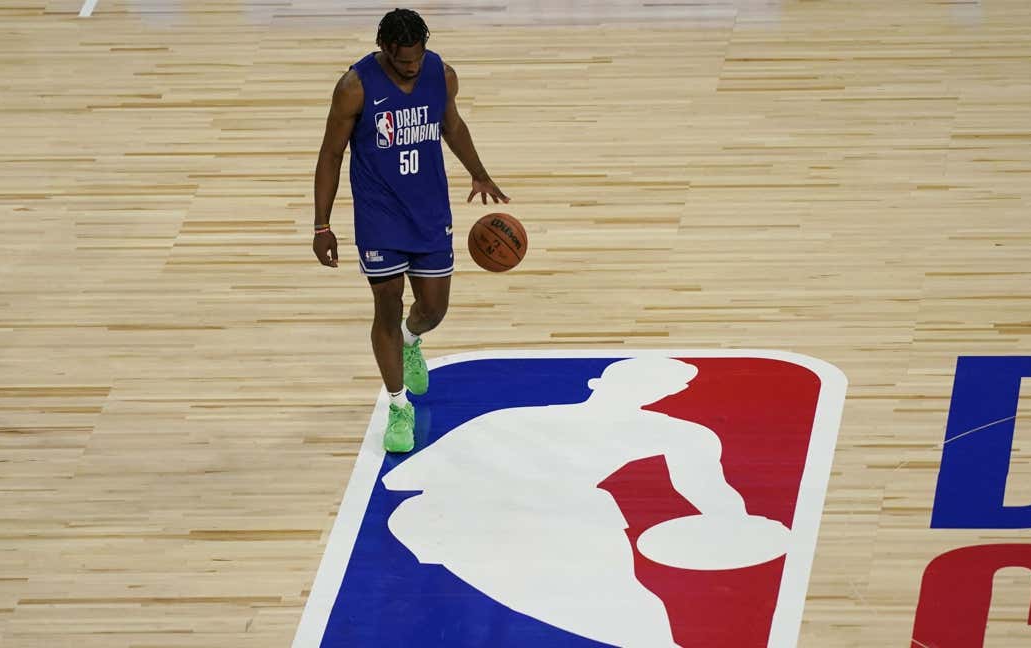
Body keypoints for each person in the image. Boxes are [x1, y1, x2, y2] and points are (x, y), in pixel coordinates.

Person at [382, 357, 749, 647]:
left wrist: (736, 522)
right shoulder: (674, 433)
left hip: (488, 523)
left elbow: (402, 482)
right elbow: (406, 483)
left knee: (641, 618)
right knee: (640, 619)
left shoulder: (504, 421)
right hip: (483, 522)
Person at [311, 8, 509, 453]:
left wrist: (479, 172)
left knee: (433, 309)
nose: (412, 68)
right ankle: (399, 407)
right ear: (385, 50)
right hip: (380, 217)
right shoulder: (355, 87)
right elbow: (330, 155)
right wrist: (322, 224)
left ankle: (410, 340)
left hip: (428, 211)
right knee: (386, 304)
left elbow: (451, 126)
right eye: (403, 62)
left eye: (418, 59)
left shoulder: (442, 74)